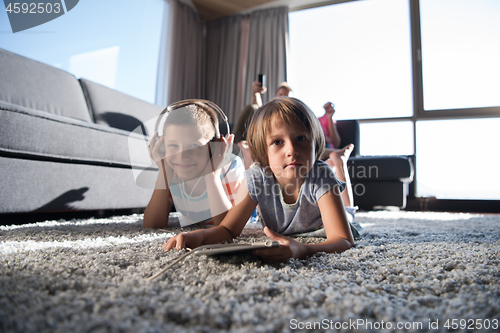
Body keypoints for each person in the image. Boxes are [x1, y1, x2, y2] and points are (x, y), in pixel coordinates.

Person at [164, 97, 359, 262]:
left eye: (301, 138)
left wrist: (303, 249)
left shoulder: (320, 174)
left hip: (322, 227)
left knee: (348, 210)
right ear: (263, 153)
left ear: (315, 144)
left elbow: (343, 238)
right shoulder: (257, 177)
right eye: (277, 142)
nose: (291, 150)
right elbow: (228, 229)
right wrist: (197, 236)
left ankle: (339, 165)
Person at [143, 100, 245, 229]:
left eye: (193, 146)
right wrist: (164, 171)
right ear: (163, 147)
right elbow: (152, 225)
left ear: (213, 148)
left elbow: (228, 227)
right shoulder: (171, 169)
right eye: (173, 145)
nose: (181, 156)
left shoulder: (231, 167)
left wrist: (212, 175)